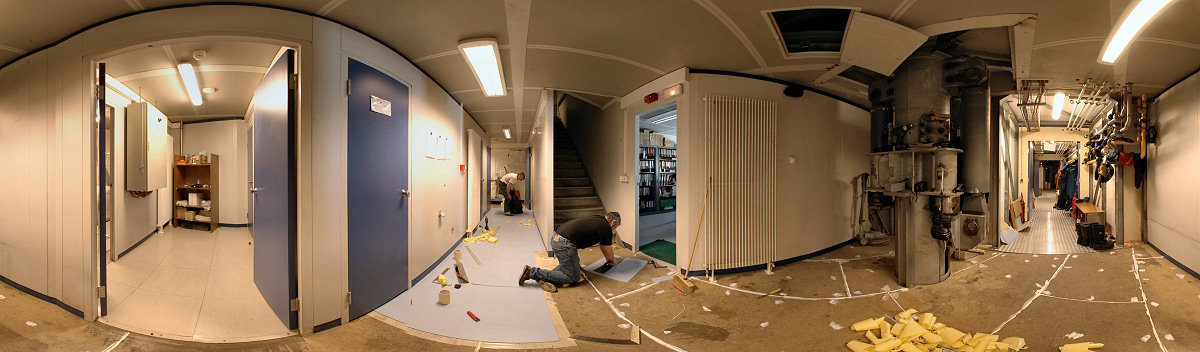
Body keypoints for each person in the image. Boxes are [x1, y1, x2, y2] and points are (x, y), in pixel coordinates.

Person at [518, 212, 621, 292]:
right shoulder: (606, 228)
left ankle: (544, 277)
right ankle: (532, 272)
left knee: (570, 267)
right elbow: (606, 249)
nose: (614, 229)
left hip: (557, 237)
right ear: (613, 222)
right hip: (565, 244)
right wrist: (612, 260)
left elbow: (602, 245)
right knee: (573, 277)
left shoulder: (598, 218)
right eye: (615, 227)